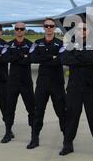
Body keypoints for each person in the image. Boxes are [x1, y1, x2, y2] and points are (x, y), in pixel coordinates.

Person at [59, 21, 93, 156]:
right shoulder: (69, 43)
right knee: (71, 115)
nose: (82, 31)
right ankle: (68, 143)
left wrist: (76, 54)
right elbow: (64, 59)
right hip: (74, 87)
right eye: (80, 29)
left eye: (85, 29)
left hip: (91, 87)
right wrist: (84, 57)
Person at [27, 18, 66, 149]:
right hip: (42, 83)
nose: (49, 28)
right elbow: (33, 59)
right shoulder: (37, 43)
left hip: (57, 84)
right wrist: (51, 57)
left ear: (55, 28)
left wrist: (44, 59)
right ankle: (34, 137)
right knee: (38, 111)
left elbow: (61, 60)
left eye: (51, 26)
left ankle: (67, 140)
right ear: (43, 28)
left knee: (61, 111)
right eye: (46, 26)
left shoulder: (61, 44)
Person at [1, 22, 35, 143]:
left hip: (26, 82)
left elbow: (31, 59)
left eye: (21, 29)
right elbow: (5, 58)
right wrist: (22, 56)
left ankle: (34, 134)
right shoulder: (8, 45)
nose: (19, 30)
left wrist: (15, 56)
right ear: (15, 30)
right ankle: (8, 132)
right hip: (13, 82)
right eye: (17, 29)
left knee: (31, 108)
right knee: (9, 108)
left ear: (25, 30)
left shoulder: (31, 45)